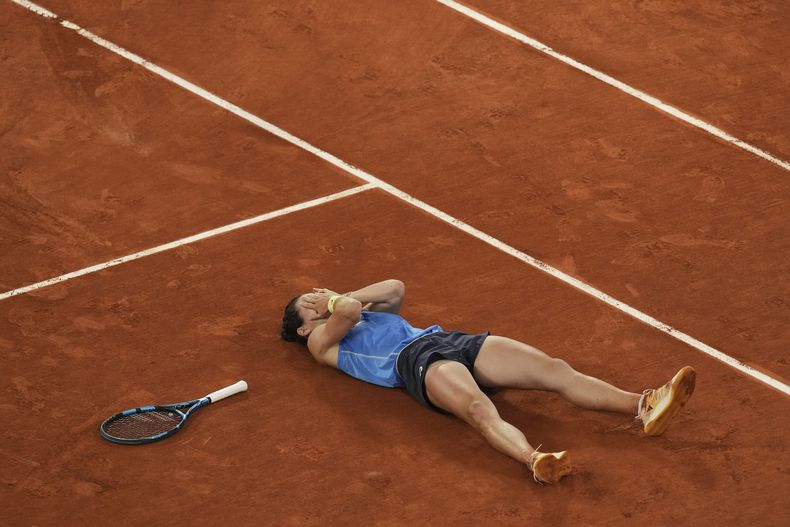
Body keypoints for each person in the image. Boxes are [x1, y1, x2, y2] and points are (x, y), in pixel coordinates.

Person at [280, 279, 696, 484]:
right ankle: (535, 461)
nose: (317, 301)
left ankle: (643, 405)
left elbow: (394, 288)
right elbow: (348, 311)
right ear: (303, 328)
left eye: (317, 296)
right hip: (415, 362)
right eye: (309, 305)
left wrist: (340, 296)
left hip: (448, 340)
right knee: (480, 409)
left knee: (554, 369)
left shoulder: (362, 310)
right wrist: (335, 302)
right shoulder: (321, 342)